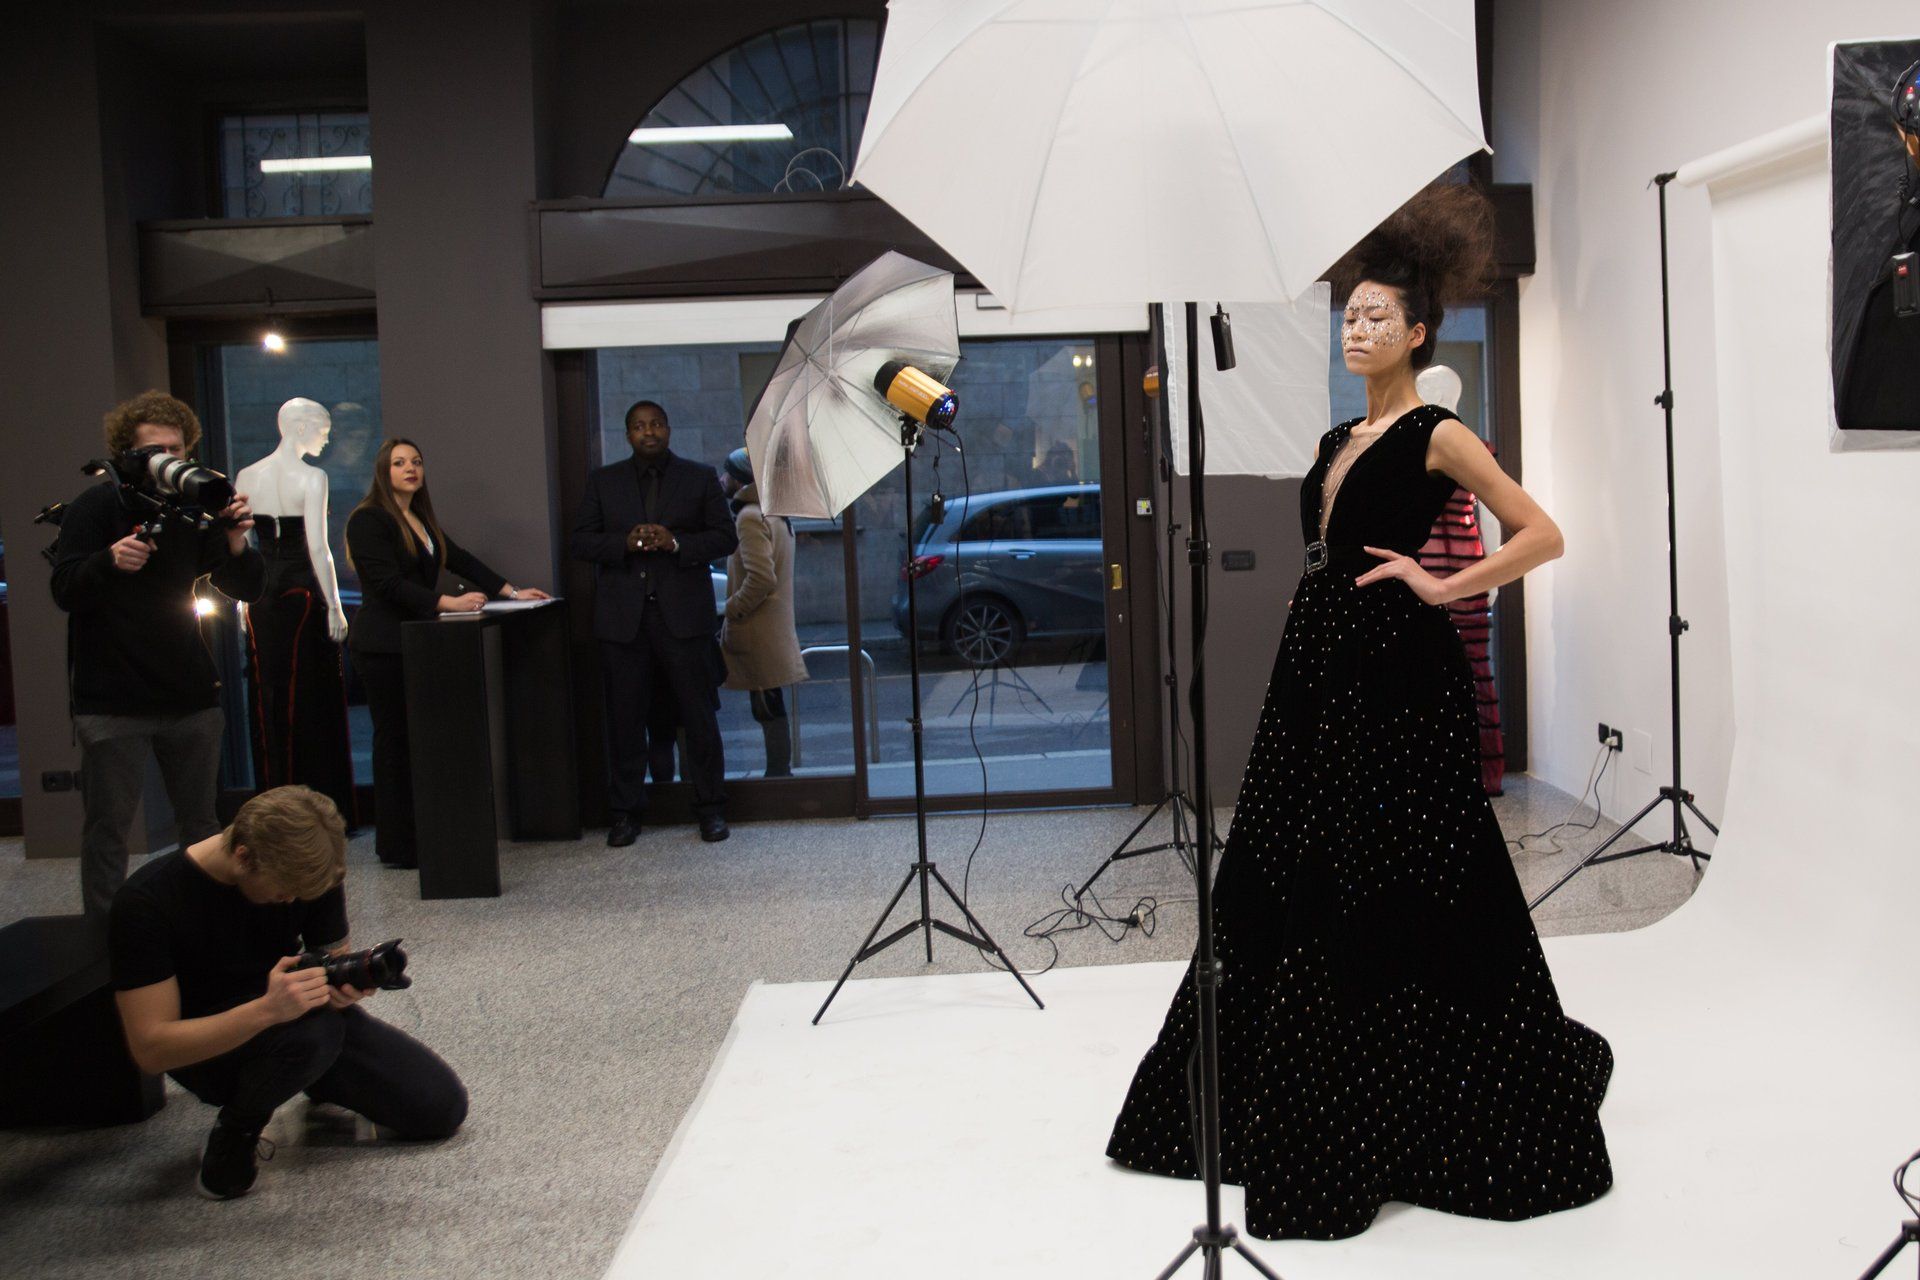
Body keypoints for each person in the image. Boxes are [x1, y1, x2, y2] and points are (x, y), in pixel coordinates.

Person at [1105, 184, 1613, 1240]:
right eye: (1348, 314)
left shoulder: (1440, 432)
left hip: (1399, 681)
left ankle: (1413, 1101)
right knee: (1283, 871)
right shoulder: (1337, 433)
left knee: (1399, 877)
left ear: (1419, 332)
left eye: (1377, 315)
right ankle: (1268, 1099)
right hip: (1316, 676)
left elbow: (1543, 532)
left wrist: (1441, 583)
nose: (1357, 327)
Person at [110, 785, 467, 1200]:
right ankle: (236, 1133)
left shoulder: (308, 872)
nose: (292, 900)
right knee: (315, 1033)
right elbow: (151, 1050)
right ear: (242, 856)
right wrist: (267, 1010)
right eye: (284, 892)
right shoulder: (147, 903)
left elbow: (332, 959)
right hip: (211, 1047)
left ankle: (309, 1073)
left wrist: (343, 987)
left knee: (439, 1107)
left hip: (299, 1023)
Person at [51, 390, 264, 918]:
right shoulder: (95, 507)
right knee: (109, 829)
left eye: (176, 450)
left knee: (202, 826)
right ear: (127, 454)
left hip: (188, 693)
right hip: (111, 697)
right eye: (154, 451)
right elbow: (65, 589)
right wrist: (108, 560)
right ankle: (104, 941)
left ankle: (208, 925)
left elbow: (246, 588)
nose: (168, 460)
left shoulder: (194, 508)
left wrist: (237, 541)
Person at [345, 438, 549, 868]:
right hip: (382, 645)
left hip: (416, 642)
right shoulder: (369, 519)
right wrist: (447, 603)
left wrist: (512, 592)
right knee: (394, 742)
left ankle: (424, 836)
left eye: (416, 462)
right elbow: (386, 584)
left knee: (419, 741)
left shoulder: (420, 518)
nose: (410, 469)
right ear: (383, 471)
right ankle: (397, 847)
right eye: (399, 463)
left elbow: (461, 560)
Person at [571, 400, 737, 846]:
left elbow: (726, 537)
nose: (649, 432)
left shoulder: (698, 477)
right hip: (623, 621)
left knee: (698, 717)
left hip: (683, 618)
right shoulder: (604, 481)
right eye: (640, 426)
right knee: (625, 719)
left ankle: (711, 809)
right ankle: (625, 813)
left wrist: (676, 542)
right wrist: (623, 543)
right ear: (628, 434)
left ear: (668, 429)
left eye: (657, 424)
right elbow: (581, 541)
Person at [235, 398, 357, 822]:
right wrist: (335, 606)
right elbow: (319, 548)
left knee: (268, 690)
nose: (326, 439)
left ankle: (275, 802)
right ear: (300, 427)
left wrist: (242, 597)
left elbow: (245, 545)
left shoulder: (247, 475)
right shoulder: (313, 477)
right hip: (303, 592)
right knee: (311, 694)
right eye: (323, 430)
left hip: (262, 593)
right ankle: (318, 806)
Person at [718, 447, 807, 778]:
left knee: (767, 707)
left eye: (728, 473)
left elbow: (760, 578)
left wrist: (731, 609)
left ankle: (778, 776)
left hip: (758, 631)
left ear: (741, 480)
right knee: (770, 705)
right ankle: (779, 774)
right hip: (771, 630)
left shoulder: (750, 517)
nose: (722, 479)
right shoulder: (775, 514)